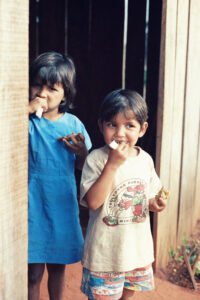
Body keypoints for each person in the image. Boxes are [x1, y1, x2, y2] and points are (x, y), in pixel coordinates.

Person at [79, 89, 167, 300]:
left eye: (129, 125)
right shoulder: (97, 160)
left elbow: (151, 196)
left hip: (136, 251)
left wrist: (157, 203)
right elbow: (93, 202)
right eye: (112, 124)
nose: (119, 133)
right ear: (101, 125)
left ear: (142, 129)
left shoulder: (145, 160)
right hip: (105, 255)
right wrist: (112, 165)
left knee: (128, 295)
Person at [28, 51, 92, 300]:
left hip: (61, 206)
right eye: (37, 85)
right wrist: (25, 109)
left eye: (52, 88)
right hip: (32, 206)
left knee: (57, 269)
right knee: (32, 274)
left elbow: (83, 169)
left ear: (66, 93)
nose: (42, 93)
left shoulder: (74, 125)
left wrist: (81, 153)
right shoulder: (27, 121)